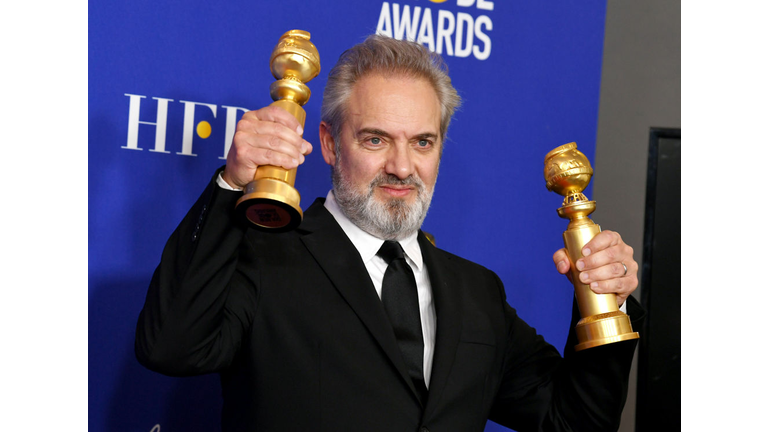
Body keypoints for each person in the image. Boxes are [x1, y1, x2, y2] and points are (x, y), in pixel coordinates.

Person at [135, 35, 642, 432]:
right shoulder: (263, 257)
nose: (402, 167)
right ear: (331, 144)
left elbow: (573, 421)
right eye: (376, 139)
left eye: (422, 142)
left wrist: (606, 303)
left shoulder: (477, 292)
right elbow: (169, 346)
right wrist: (232, 184)